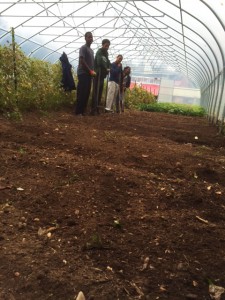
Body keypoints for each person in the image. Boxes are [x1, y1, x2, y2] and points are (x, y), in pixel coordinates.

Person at [75, 32, 96, 116]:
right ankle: (78, 112)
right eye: (89, 37)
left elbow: (91, 63)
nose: (91, 39)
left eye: (92, 37)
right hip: (83, 73)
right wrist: (90, 71)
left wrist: (92, 71)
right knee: (82, 92)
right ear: (85, 38)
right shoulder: (83, 48)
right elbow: (82, 61)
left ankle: (82, 111)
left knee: (87, 93)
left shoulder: (91, 50)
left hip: (89, 74)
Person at [91, 39, 111, 115]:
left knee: (99, 92)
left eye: (108, 46)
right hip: (97, 75)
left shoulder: (106, 54)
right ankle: (93, 109)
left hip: (102, 76)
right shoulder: (99, 52)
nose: (107, 47)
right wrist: (106, 68)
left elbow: (108, 62)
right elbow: (99, 62)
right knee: (96, 92)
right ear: (102, 45)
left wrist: (108, 67)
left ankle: (97, 109)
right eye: (106, 45)